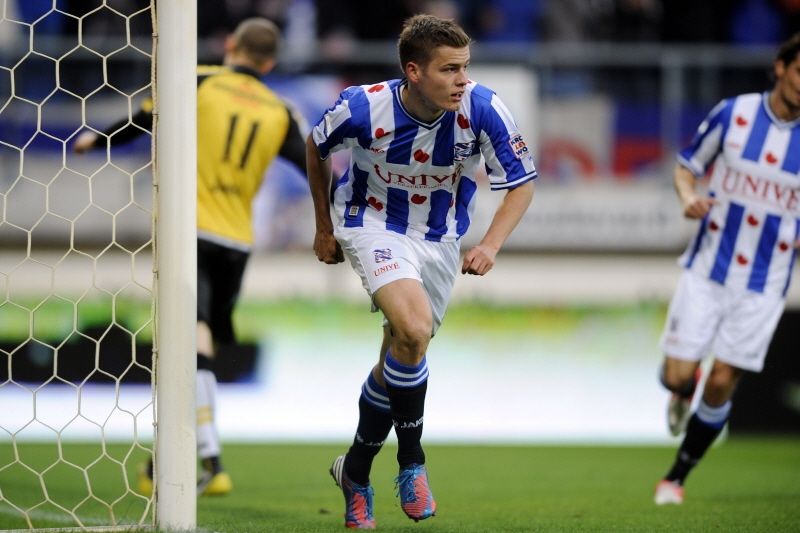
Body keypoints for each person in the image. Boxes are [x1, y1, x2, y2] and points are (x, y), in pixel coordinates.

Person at [306, 14, 536, 528]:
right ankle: (412, 463)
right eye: (449, 69)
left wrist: (491, 244)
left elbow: (521, 184)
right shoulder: (361, 107)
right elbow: (316, 147)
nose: (462, 80)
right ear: (413, 71)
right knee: (412, 329)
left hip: (439, 238)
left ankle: (355, 471)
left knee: (402, 352)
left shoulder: (483, 108)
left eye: (465, 68)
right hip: (371, 223)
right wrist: (323, 226)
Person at [73, 17, 308, 497]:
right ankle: (164, 462)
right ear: (270, 64)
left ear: (230, 44)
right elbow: (314, 167)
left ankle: (211, 462)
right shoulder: (281, 111)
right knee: (199, 345)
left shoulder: (199, 80)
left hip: (191, 232)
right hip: (238, 242)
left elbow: (141, 120)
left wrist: (95, 140)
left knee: (190, 343)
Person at [654, 32, 800, 506]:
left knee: (722, 381)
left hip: (765, 282)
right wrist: (688, 197)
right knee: (677, 375)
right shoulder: (734, 113)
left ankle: (675, 478)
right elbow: (686, 166)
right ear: (781, 68)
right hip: (708, 268)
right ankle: (681, 391)